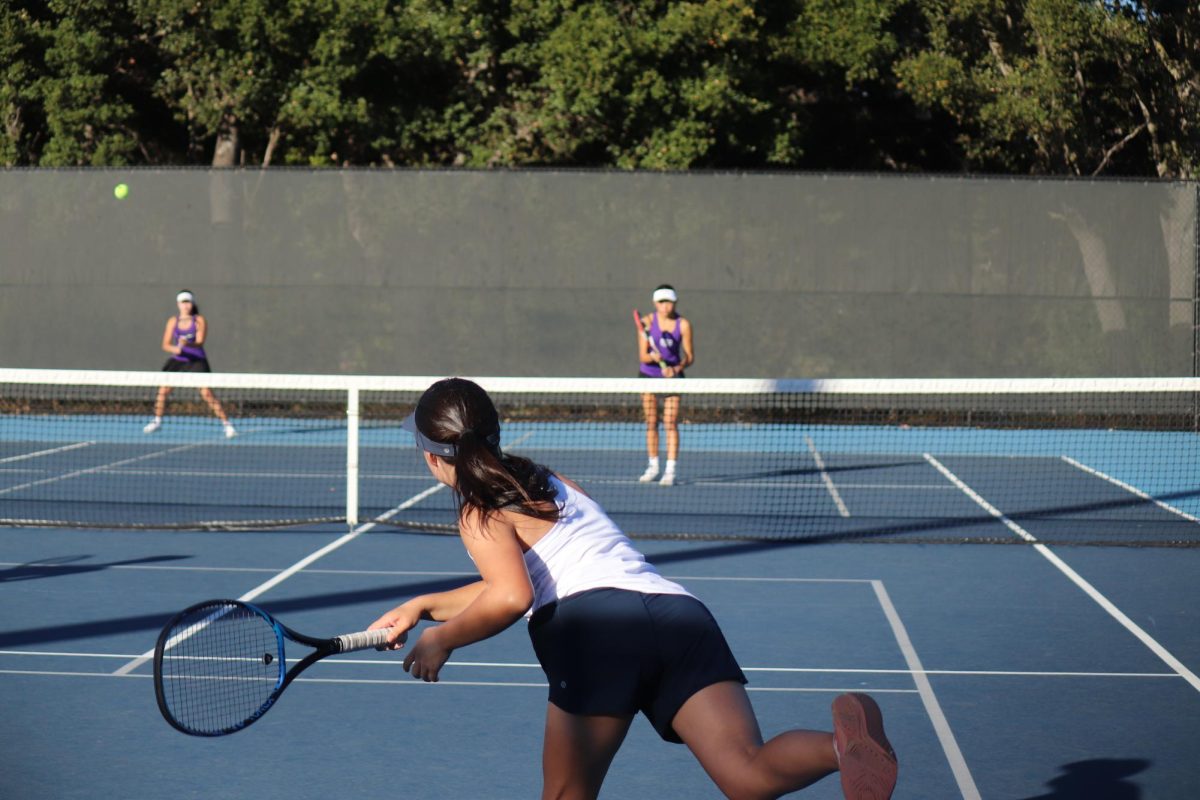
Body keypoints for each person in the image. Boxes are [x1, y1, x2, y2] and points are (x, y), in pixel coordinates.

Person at [368, 378, 898, 800]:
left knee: (565, 794)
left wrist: (443, 639)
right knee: (748, 775)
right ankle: (840, 748)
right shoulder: (547, 478)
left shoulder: (476, 510)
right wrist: (422, 607)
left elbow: (511, 597)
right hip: (677, 615)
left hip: (596, 631)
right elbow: (523, 577)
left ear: (433, 455)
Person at [142, 290, 237, 438]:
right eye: (183, 302)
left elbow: (200, 342)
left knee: (206, 393)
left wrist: (188, 344)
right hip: (179, 361)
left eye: (188, 302)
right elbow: (165, 344)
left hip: (197, 360)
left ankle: (227, 425)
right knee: (163, 391)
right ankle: (157, 421)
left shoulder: (199, 320)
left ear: (192, 304)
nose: (185, 305)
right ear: (178, 304)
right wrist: (175, 349)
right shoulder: (173, 321)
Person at [637, 284, 693, 486]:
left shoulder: (684, 324)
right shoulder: (646, 322)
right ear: (655, 303)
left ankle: (670, 470)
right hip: (649, 377)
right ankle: (653, 466)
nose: (665, 306)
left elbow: (689, 356)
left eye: (668, 301)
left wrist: (676, 369)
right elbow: (642, 355)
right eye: (661, 302)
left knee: (670, 422)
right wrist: (652, 356)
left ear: (675, 302)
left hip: (673, 380)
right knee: (651, 422)